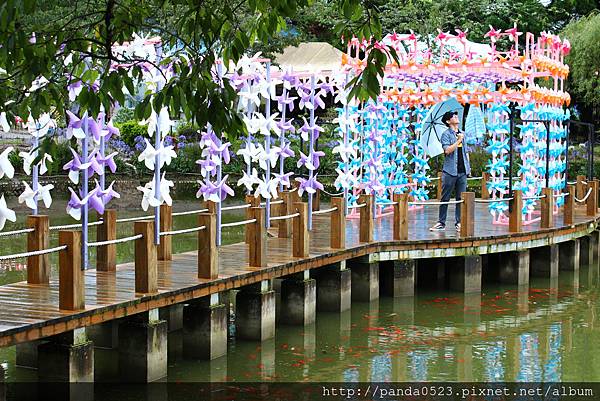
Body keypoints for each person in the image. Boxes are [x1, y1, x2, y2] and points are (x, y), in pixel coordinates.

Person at [429, 110, 471, 231]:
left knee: (461, 198)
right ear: (448, 121)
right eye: (453, 116)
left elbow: (466, 151)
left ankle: (459, 222)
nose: (456, 117)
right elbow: (447, 150)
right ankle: (441, 222)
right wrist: (458, 140)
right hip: (450, 171)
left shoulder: (462, 133)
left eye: (456, 115)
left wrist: (469, 168)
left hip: (462, 171)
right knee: (445, 197)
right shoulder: (446, 135)